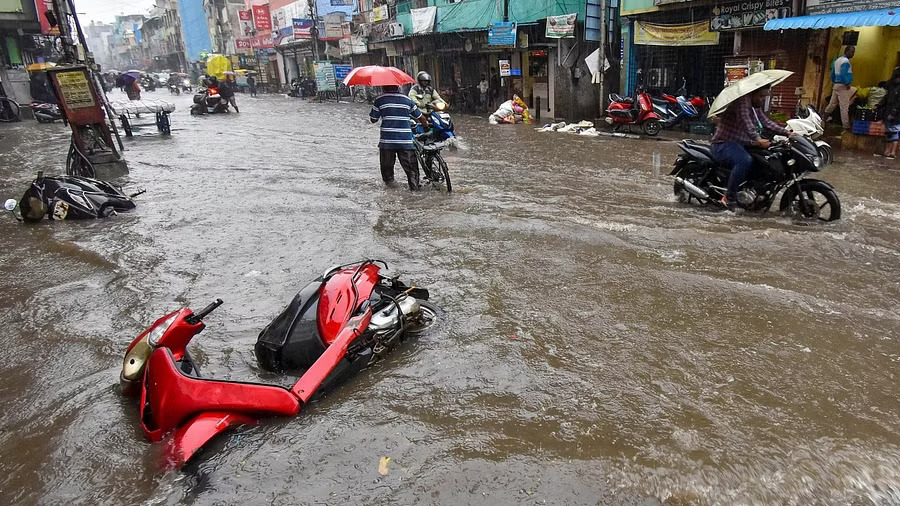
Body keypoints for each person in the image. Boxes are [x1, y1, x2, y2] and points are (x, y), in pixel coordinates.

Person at [710, 85, 791, 210]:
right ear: (753, 93)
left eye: (764, 96)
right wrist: (757, 139)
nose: (762, 99)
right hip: (723, 143)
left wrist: (787, 133)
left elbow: (766, 122)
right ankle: (729, 198)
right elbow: (746, 121)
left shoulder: (754, 107)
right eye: (761, 96)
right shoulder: (742, 101)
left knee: (765, 159)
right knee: (744, 160)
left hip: (742, 144)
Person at [370, 85, 428, 190]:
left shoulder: (379, 100)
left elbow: (373, 119)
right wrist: (426, 129)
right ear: (398, 87)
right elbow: (421, 118)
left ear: (383, 87)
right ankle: (414, 191)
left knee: (387, 172)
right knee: (412, 171)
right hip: (405, 141)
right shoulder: (407, 100)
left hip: (387, 142)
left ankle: (390, 192)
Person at [824, 45, 857, 131]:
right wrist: (846, 83)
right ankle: (846, 127)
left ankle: (822, 120)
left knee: (831, 105)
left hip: (836, 85)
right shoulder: (846, 62)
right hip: (843, 86)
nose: (853, 53)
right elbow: (843, 74)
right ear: (847, 51)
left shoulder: (837, 60)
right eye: (852, 51)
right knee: (844, 107)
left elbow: (832, 74)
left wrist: (834, 81)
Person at [877, 67, 900, 159]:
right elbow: (887, 98)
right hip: (888, 111)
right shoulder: (892, 86)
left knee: (895, 132)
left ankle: (893, 152)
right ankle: (887, 151)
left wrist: (894, 112)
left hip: (897, 114)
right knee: (888, 132)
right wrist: (879, 105)